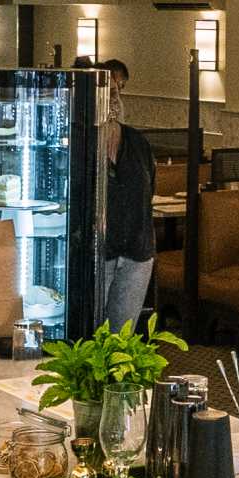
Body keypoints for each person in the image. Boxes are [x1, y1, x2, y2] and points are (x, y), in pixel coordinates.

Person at [93, 57, 158, 329]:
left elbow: (148, 188)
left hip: (136, 252)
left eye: (117, 91)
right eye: (107, 92)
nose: (113, 99)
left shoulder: (136, 142)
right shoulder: (80, 140)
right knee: (90, 336)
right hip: (97, 253)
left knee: (122, 339)